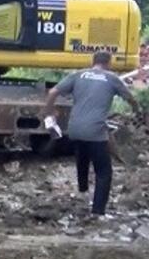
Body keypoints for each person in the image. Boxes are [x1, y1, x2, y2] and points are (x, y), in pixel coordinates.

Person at [44, 51, 140, 216]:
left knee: (82, 155)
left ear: (92, 61)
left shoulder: (78, 75)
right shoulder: (111, 78)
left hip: (74, 129)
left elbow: (53, 92)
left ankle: (82, 191)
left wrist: (48, 112)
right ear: (108, 63)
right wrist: (137, 110)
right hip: (95, 131)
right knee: (104, 171)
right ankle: (98, 211)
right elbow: (129, 97)